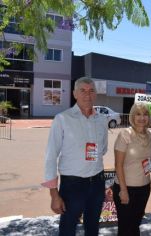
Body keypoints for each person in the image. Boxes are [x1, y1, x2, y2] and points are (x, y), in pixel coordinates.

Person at [42, 77, 108, 236]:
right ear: (74, 94)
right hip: (72, 185)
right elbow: (51, 156)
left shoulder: (101, 120)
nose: (88, 94)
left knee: (93, 227)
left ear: (96, 94)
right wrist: (53, 194)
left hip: (97, 183)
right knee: (68, 228)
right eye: (83, 90)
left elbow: (103, 149)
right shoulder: (62, 119)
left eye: (91, 90)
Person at [112, 103, 151, 236]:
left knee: (136, 225)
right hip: (126, 188)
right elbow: (118, 165)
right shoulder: (125, 134)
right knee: (125, 227)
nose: (142, 118)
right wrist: (123, 190)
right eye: (138, 114)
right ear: (132, 116)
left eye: (145, 114)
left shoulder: (150, 135)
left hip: (144, 187)